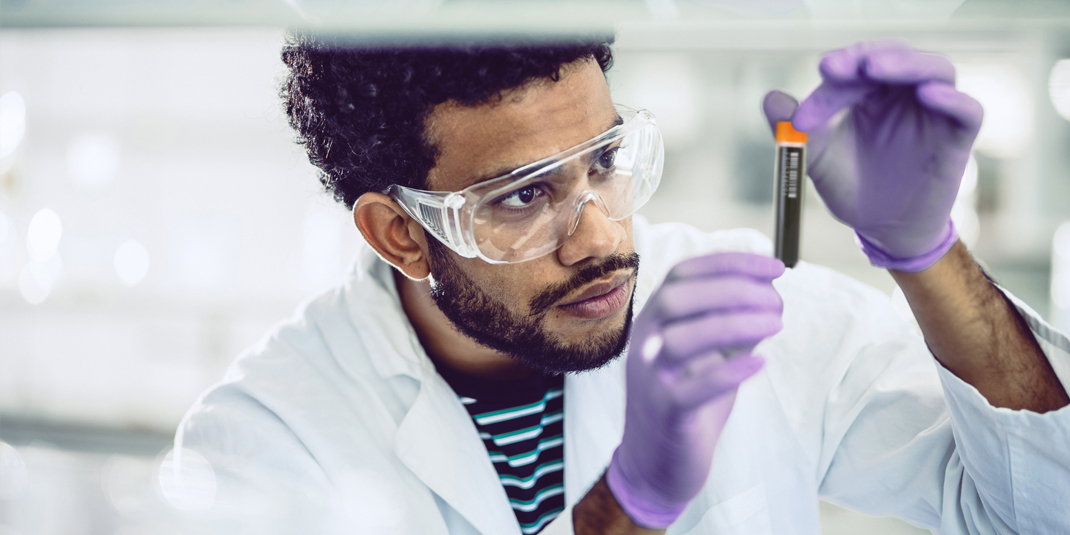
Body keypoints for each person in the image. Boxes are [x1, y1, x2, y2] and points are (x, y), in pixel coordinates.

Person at [173, 35, 1070, 535]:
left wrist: (925, 253)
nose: (601, 235)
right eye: (525, 195)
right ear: (403, 233)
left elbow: (1036, 511)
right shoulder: (263, 440)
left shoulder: (741, 307)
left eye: (604, 161)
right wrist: (631, 504)